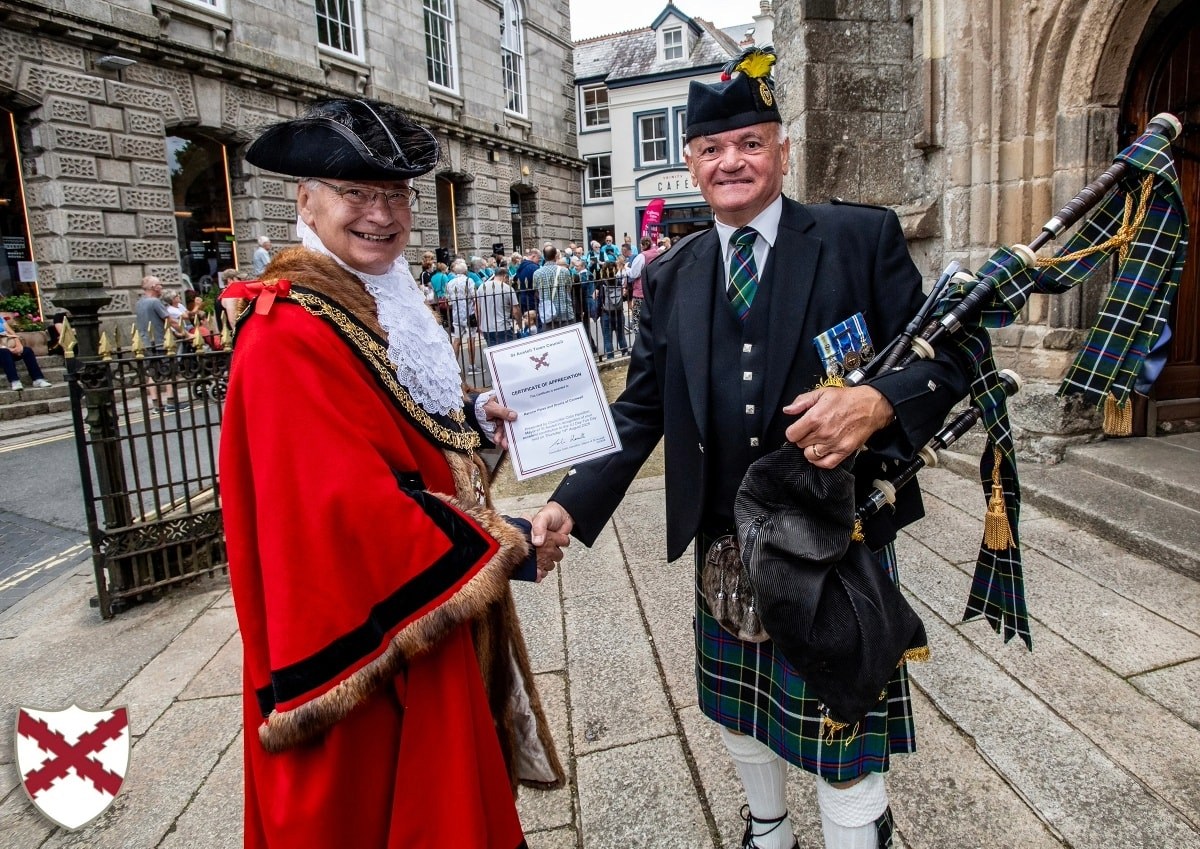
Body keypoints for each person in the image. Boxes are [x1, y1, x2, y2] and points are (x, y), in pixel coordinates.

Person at [530, 49, 970, 849]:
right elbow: (640, 412)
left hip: (840, 540)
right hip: (725, 544)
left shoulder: (856, 238)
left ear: (782, 150)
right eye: (712, 148)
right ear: (691, 162)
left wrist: (875, 402)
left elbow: (954, 360)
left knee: (844, 733)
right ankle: (767, 831)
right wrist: (569, 501)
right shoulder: (670, 275)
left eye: (752, 142)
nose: (731, 160)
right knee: (740, 713)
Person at [220, 97, 565, 849]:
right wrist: (505, 538)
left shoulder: (365, 296)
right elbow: (345, 510)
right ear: (305, 199)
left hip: (414, 628)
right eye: (357, 193)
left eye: (396, 195)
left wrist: (471, 422)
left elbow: (387, 422)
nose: (382, 214)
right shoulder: (287, 330)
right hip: (366, 661)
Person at [135, 275, 185, 412]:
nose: (161, 287)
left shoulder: (139, 303)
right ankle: (171, 402)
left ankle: (156, 404)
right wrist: (185, 333)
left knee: (152, 374)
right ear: (153, 287)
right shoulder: (155, 302)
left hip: (146, 343)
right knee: (169, 372)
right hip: (161, 342)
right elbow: (169, 320)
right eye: (159, 284)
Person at [0, 313, 53, 391]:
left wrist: (18, 345)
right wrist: (7, 348)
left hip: (7, 344)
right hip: (3, 349)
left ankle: (38, 379)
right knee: (5, 352)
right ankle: (14, 381)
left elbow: (12, 333)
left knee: (27, 351)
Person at [476, 265, 520, 348]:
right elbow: (516, 311)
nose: (508, 281)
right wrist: (520, 325)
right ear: (505, 276)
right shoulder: (507, 289)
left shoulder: (482, 287)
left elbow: (477, 309)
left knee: (494, 353)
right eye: (508, 279)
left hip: (486, 328)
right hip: (502, 328)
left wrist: (479, 325)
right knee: (508, 353)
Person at [532, 246, 573, 329]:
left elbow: (536, 292)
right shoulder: (564, 271)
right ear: (555, 256)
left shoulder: (537, 273)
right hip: (564, 310)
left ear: (544, 256)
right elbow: (569, 288)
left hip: (548, 312)